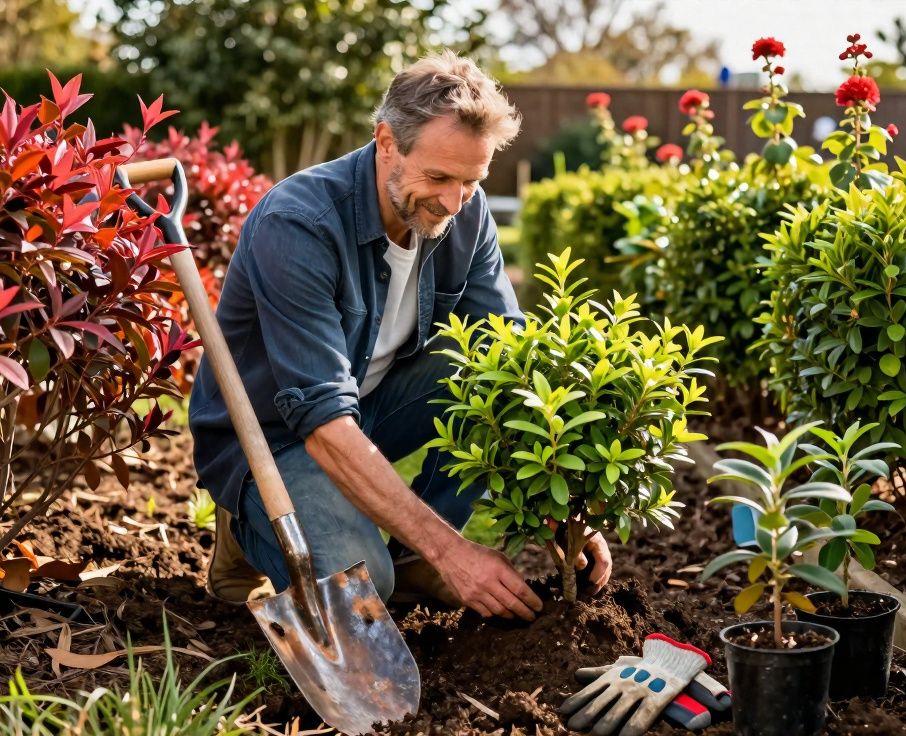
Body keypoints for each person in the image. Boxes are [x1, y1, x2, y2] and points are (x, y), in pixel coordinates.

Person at [189, 51, 612, 621]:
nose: (453, 201)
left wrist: (557, 500)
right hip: (272, 436)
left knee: (483, 369)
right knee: (363, 586)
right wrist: (456, 552)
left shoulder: (464, 209)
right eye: (437, 177)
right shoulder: (299, 223)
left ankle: (416, 558)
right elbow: (320, 419)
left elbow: (509, 357)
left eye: (472, 180)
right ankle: (248, 522)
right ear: (386, 141)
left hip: (368, 408)